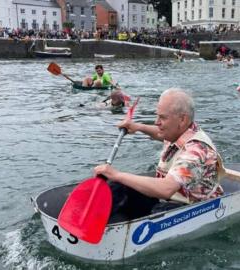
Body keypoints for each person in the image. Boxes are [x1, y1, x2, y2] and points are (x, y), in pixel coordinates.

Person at [94, 88, 224, 220]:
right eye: (157, 116)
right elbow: (159, 133)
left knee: (158, 211)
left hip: (189, 204)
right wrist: (138, 127)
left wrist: (116, 174)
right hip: (167, 196)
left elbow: (166, 189)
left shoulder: (196, 150)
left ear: (182, 120)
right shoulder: (176, 131)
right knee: (117, 187)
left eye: (162, 117)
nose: (157, 122)